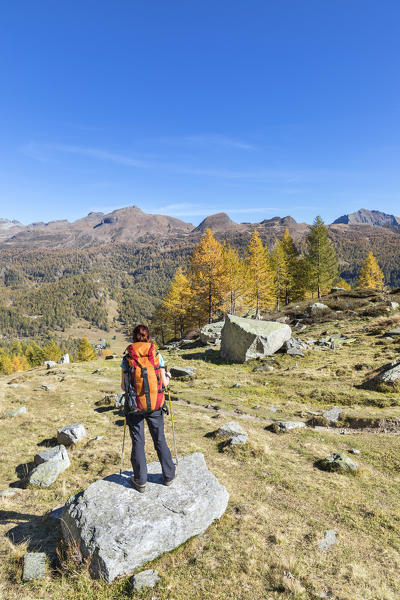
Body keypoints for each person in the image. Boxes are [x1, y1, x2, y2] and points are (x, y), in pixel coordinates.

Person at [120, 324, 176, 493]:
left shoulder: (128, 357)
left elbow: (124, 386)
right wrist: (167, 376)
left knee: (138, 441)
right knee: (159, 439)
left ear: (134, 338)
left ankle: (140, 480)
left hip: (134, 405)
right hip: (155, 404)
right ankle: (168, 475)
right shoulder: (156, 354)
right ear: (148, 337)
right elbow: (164, 383)